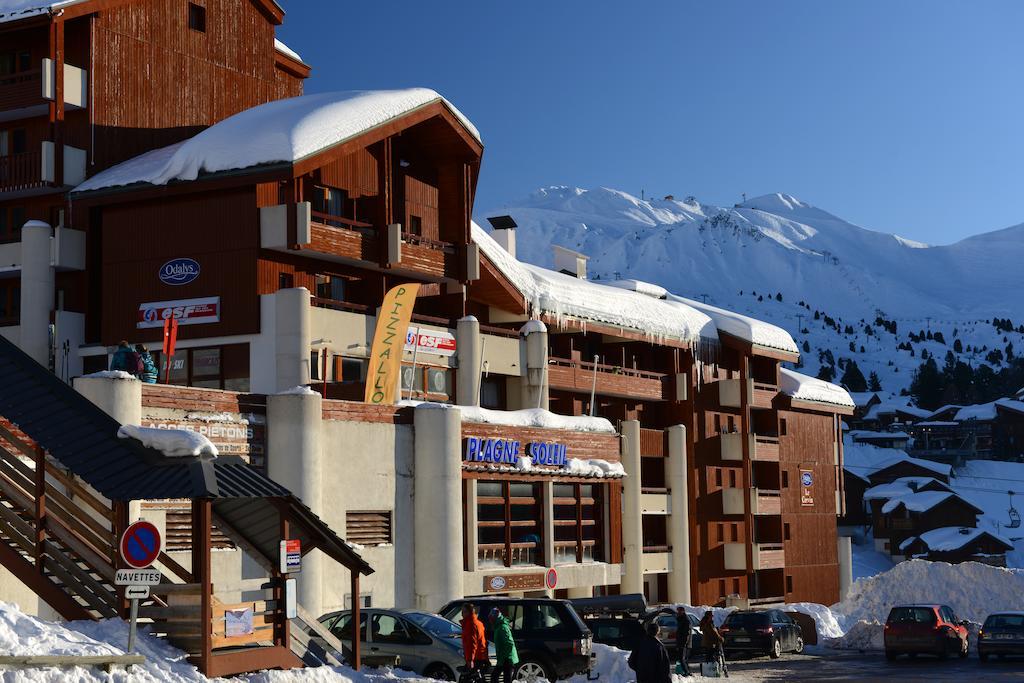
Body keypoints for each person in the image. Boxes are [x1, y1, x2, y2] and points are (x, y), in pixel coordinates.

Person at [488, 607, 518, 683]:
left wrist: (506, 658)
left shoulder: (502, 627)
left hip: (507, 659)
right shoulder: (498, 627)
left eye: (491, 618)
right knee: (496, 677)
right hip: (504, 659)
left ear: (494, 618)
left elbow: (509, 644)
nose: (489, 620)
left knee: (498, 678)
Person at [460, 603, 488, 677]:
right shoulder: (478, 623)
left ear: (469, 612)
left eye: (464, 612)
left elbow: (472, 643)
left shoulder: (470, 624)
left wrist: (470, 660)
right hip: (479, 656)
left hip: (476, 658)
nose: (462, 614)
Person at [700, 611, 727, 676]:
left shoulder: (704, 623)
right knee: (712, 656)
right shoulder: (709, 623)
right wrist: (721, 638)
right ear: (709, 616)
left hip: (707, 642)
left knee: (708, 656)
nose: (712, 617)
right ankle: (712, 671)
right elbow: (714, 633)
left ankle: (708, 671)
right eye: (711, 616)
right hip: (711, 642)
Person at [675, 606, 692, 676]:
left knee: (682, 659)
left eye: (679, 611)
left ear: (683, 611)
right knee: (683, 659)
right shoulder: (681, 619)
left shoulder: (686, 620)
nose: (677, 613)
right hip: (681, 642)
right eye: (677, 611)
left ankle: (687, 672)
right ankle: (687, 672)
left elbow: (687, 633)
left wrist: (684, 644)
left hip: (684, 643)